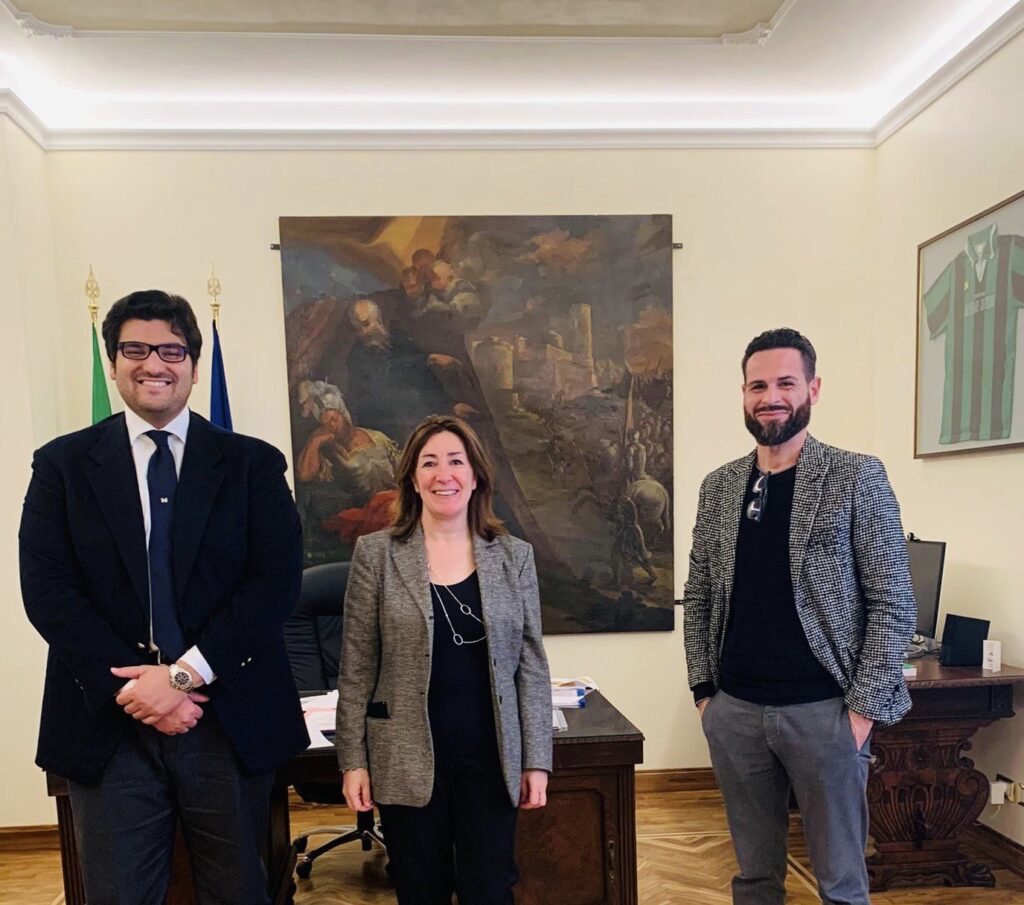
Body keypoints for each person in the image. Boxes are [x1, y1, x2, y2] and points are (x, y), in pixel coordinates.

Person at [19, 289, 307, 905]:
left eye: (172, 350)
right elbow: (48, 592)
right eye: (136, 349)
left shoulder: (253, 466)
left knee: (239, 892)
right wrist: (138, 689)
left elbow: (274, 586)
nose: (154, 363)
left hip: (225, 714)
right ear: (114, 363)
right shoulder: (62, 466)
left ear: (194, 367)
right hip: (108, 718)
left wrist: (180, 677)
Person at [683, 327, 916, 905]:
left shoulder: (856, 476)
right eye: (758, 386)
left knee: (841, 884)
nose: (771, 397)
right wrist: (706, 694)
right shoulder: (719, 487)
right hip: (735, 713)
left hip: (825, 714)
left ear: (813, 389)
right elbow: (700, 596)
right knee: (754, 880)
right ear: (743, 394)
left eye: (786, 383)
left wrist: (859, 714)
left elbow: (893, 602)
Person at [337, 413, 552, 904]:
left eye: (456, 461)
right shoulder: (377, 554)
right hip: (404, 757)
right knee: (420, 890)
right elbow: (357, 667)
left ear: (475, 476)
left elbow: (531, 666)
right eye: (429, 463)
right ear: (413, 479)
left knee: (490, 890)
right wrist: (353, 761)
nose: (443, 474)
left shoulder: (514, 556)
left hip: (491, 758)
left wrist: (537, 760)